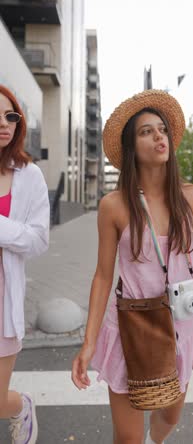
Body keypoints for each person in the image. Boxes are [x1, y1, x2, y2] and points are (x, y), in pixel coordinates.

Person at [71, 90, 193, 444]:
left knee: (170, 415)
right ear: (132, 147)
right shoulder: (114, 205)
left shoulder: (191, 197)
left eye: (161, 129)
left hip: (181, 324)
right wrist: (88, 343)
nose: (159, 136)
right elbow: (102, 276)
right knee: (127, 438)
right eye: (146, 131)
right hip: (133, 326)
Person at [0, 85, 50, 444]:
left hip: (3, 304)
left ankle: (19, 406)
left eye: (11, 116)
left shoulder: (29, 175)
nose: (4, 123)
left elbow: (38, 240)